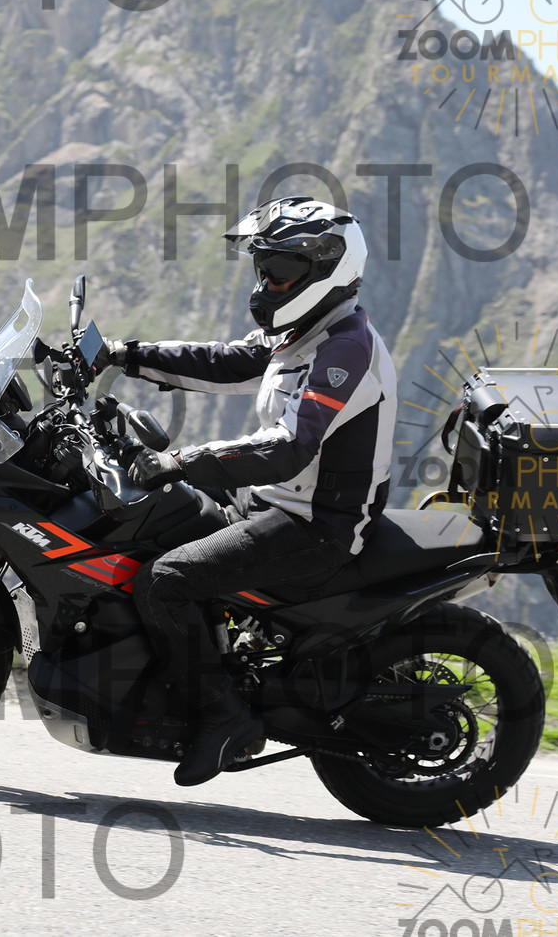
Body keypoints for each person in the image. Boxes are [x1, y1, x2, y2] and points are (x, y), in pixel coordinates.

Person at [106, 196, 398, 786]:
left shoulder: (344, 349)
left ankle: (223, 717)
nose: (265, 285)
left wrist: (178, 462)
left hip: (317, 526)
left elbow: (288, 448)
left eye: (279, 270)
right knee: (152, 525)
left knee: (165, 581)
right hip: (274, 503)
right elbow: (227, 362)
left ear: (326, 269)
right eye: (262, 269)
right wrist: (122, 355)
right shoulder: (304, 331)